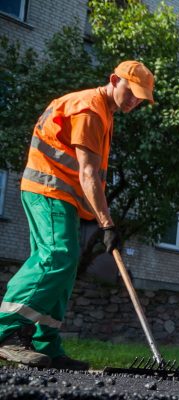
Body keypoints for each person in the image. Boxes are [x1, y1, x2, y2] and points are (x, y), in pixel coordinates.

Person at [0, 61, 155, 371]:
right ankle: (6, 331)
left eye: (140, 98)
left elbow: (89, 175)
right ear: (114, 80)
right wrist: (107, 224)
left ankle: (46, 343)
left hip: (61, 196)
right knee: (57, 256)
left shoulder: (103, 112)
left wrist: (93, 215)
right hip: (48, 190)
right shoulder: (90, 110)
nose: (134, 101)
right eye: (131, 93)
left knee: (64, 266)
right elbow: (87, 173)